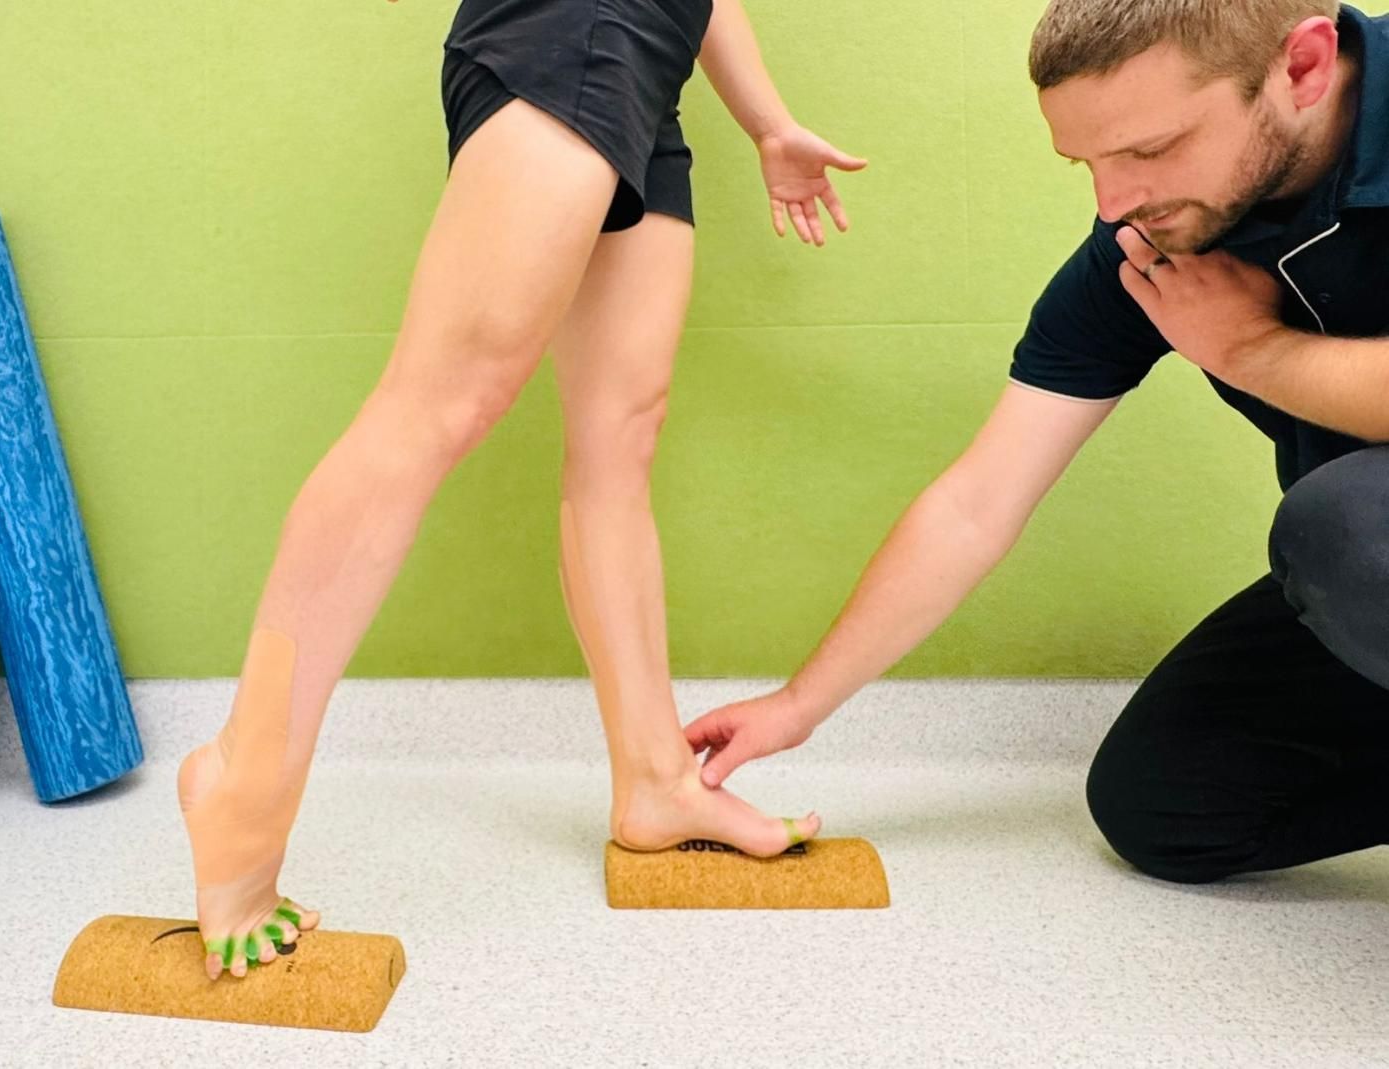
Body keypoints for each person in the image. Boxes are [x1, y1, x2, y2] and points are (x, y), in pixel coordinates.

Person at [178, 0, 867, 980]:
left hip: (651, 61)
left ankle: (656, 780)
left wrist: (766, 122)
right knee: (439, 403)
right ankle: (242, 779)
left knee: (623, 432)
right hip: (576, 22)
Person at [686, 0, 1389, 888]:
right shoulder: (1153, 244)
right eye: (1086, 163)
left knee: (1345, 529)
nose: (1112, 201)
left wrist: (1252, 351)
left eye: (1148, 149)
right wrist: (798, 704)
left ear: (1303, 67)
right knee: (1166, 801)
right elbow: (978, 502)